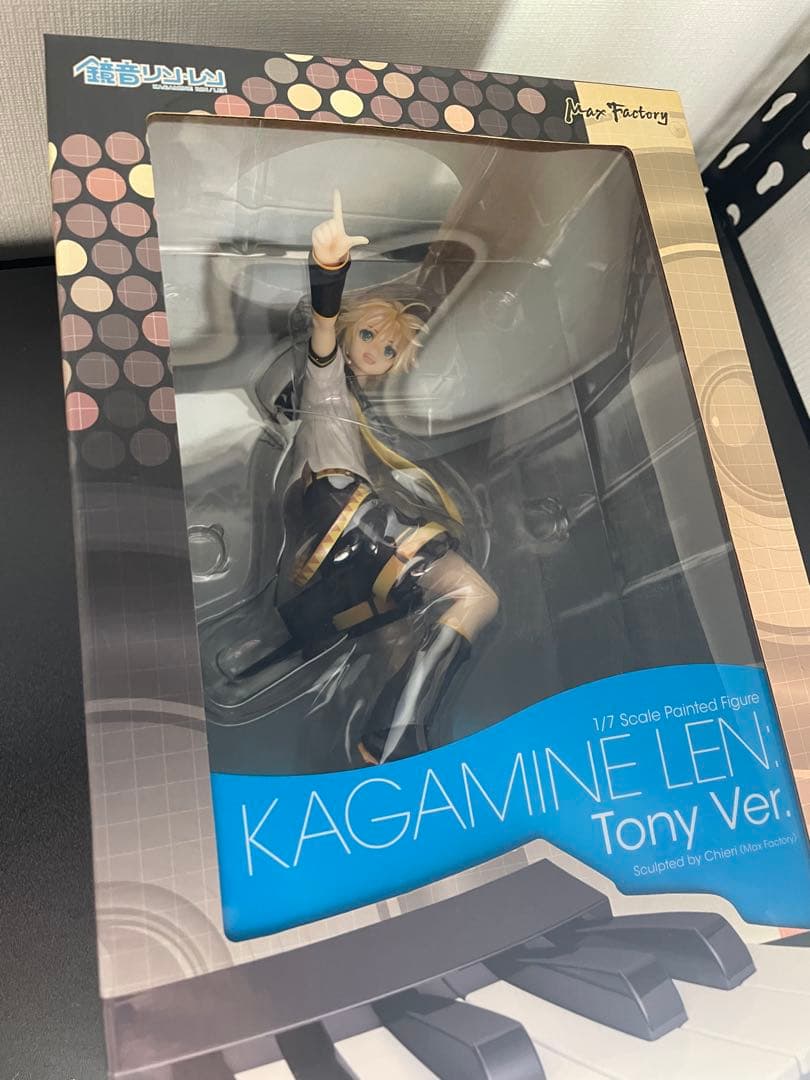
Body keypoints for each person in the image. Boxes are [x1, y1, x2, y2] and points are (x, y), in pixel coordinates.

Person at [272, 191, 499, 764]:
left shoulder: (365, 414)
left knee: (398, 641)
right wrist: (329, 270)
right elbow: (322, 342)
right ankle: (391, 735)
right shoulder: (327, 390)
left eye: (390, 347)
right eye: (369, 335)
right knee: (474, 595)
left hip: (338, 542)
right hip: (347, 515)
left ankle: (391, 753)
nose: (375, 350)